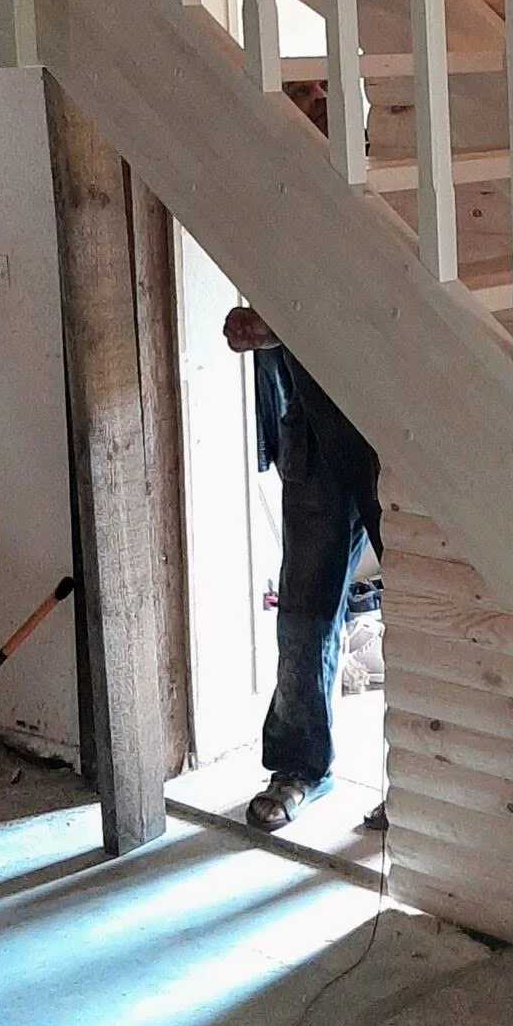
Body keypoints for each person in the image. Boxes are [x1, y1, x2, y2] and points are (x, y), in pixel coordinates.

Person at [223, 80, 382, 832]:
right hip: (312, 429)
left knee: (422, 608)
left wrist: (279, 326)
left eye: (314, 111)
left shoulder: (373, 195)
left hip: (382, 428)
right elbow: (276, 306)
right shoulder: (273, 203)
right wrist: (259, 325)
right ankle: (299, 766)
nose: (305, 119)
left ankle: (415, 780)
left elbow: (365, 307)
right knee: (305, 607)